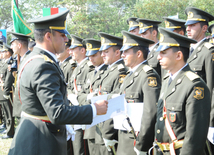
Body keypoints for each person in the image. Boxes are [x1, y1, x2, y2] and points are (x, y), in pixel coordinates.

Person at [8, 10, 108, 155]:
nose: (66, 39)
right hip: (41, 141)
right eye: (62, 35)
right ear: (48, 36)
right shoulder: (43, 65)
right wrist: (93, 109)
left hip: (37, 132)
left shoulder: (33, 58)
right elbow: (57, 113)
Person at [154, 27, 210, 155]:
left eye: (163, 53)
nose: (158, 57)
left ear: (179, 55)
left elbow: (195, 137)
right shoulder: (168, 79)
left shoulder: (194, 85)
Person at [115, 30, 161, 155]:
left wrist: (142, 144)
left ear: (139, 53)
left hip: (136, 141)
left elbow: (150, 112)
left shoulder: (148, 75)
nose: (122, 55)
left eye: (126, 52)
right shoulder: (130, 75)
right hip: (124, 138)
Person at [184, 7, 214, 153]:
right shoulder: (185, 51)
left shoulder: (209, 52)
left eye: (192, 25)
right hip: (187, 118)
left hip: (204, 118)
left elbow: (213, 88)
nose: (188, 29)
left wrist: (211, 122)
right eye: (187, 25)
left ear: (204, 28)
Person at [96, 32, 128, 155]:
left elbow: (115, 104)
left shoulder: (120, 72)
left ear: (117, 52)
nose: (102, 54)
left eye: (106, 51)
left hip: (112, 130)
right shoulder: (109, 70)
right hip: (102, 126)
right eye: (102, 51)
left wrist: (108, 133)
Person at [77, 38, 108, 155]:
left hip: (102, 126)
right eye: (89, 56)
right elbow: (80, 96)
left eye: (94, 55)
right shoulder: (91, 73)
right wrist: (88, 98)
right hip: (91, 124)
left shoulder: (107, 72)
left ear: (102, 54)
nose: (91, 59)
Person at [68, 34, 95, 155]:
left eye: (73, 49)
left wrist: (77, 98)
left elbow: (87, 91)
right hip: (74, 112)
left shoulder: (88, 68)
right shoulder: (77, 67)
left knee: (81, 150)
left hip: (82, 112)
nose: (70, 52)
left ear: (82, 50)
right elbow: (68, 87)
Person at [10, 32, 31, 126]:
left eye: (13, 44)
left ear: (19, 45)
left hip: (26, 107)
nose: (11, 47)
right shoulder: (23, 59)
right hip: (21, 106)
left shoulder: (29, 59)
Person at [0, 43, 15, 139]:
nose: (1, 53)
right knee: (5, 111)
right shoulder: (4, 62)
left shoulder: (10, 63)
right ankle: (7, 127)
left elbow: (9, 79)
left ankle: (10, 132)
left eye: (4, 51)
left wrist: (5, 91)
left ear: (8, 53)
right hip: (2, 89)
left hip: (7, 90)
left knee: (9, 112)